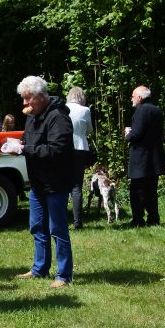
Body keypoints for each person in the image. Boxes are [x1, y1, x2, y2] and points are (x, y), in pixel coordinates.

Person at [13, 76, 76, 289]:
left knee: (57, 229)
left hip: (56, 182)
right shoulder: (32, 116)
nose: (25, 104)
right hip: (37, 182)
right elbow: (28, 139)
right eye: (23, 99)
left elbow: (56, 150)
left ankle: (63, 275)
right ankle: (39, 268)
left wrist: (25, 149)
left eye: (28, 98)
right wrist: (18, 144)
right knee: (37, 226)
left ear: (41, 96)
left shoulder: (59, 117)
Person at [123, 85, 165, 226]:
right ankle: (153, 219)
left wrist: (128, 134)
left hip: (141, 158)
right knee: (151, 191)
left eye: (133, 96)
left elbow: (137, 134)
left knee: (137, 191)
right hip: (154, 157)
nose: (131, 99)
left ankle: (138, 220)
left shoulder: (141, 110)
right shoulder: (157, 110)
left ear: (140, 98)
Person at [66, 87, 93, 229]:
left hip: (64, 149)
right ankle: (78, 222)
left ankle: (61, 219)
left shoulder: (62, 109)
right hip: (80, 149)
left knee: (62, 185)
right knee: (77, 187)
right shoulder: (85, 110)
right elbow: (89, 130)